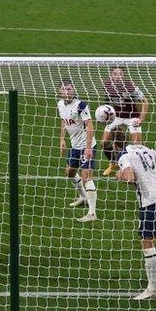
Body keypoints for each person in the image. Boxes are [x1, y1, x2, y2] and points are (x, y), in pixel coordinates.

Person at [116, 144, 156, 300]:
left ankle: (152, 289)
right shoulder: (145, 149)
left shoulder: (124, 156)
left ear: (115, 146)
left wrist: (119, 175)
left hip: (150, 202)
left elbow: (130, 178)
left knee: (146, 241)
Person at [57, 80, 98, 221]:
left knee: (86, 177)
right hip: (74, 146)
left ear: (73, 90)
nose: (67, 91)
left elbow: (90, 126)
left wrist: (88, 148)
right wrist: (62, 139)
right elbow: (63, 121)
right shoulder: (60, 104)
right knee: (69, 173)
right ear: (59, 91)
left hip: (87, 146)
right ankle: (83, 197)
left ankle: (92, 213)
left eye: (69, 89)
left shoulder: (81, 105)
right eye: (64, 89)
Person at [101, 67, 149, 176]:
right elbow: (107, 101)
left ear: (124, 76)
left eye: (120, 74)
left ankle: (137, 167)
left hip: (132, 116)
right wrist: (105, 115)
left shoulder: (130, 87)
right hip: (116, 116)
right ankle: (113, 163)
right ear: (111, 76)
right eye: (115, 74)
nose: (118, 76)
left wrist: (142, 118)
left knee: (137, 145)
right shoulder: (107, 85)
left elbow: (145, 101)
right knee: (104, 142)